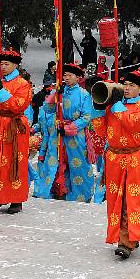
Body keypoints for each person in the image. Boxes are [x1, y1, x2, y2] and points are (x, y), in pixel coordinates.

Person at [103, 70, 140, 259]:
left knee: (131, 200)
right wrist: (97, 107)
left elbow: (132, 124)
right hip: (114, 159)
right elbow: (100, 128)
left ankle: (127, 241)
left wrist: (117, 107)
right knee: (116, 201)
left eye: (132, 85)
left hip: (134, 158)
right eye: (125, 84)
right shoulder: (113, 106)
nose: (126, 88)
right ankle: (120, 236)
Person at [32, 63, 94, 202]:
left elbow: (86, 117)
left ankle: (80, 193)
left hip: (75, 134)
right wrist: (55, 93)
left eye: (69, 75)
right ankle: (53, 190)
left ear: (78, 78)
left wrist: (68, 128)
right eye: (65, 75)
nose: (66, 78)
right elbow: (48, 109)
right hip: (57, 132)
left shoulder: (84, 94)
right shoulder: (60, 92)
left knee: (77, 163)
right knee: (53, 160)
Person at [0, 48, 33, 214]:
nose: (3, 66)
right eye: (1, 63)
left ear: (15, 65)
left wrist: (1, 92)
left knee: (14, 161)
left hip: (15, 125)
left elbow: (17, 105)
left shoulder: (23, 84)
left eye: (6, 64)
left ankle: (16, 198)